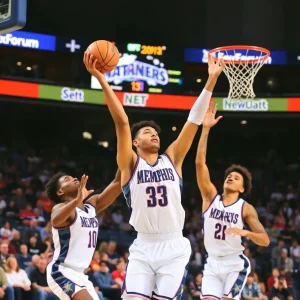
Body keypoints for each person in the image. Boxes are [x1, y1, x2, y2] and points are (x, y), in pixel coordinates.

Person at [84, 52, 224, 300]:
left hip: (173, 246)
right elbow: (122, 122)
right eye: (148, 132)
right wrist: (100, 78)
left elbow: (192, 121)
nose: (155, 135)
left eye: (156, 132)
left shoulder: (173, 158)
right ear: (135, 142)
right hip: (143, 246)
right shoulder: (129, 164)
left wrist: (211, 81)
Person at [195, 103, 270, 300]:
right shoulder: (210, 197)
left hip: (234, 264)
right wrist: (205, 129)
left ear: (242, 188)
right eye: (229, 175)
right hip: (211, 263)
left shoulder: (245, 208)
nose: (231, 178)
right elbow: (199, 163)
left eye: (236, 178)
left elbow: (265, 240)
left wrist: (247, 232)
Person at [45, 171, 121, 300]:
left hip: (80, 274)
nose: (74, 178)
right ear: (60, 192)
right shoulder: (60, 208)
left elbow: (118, 182)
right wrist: (77, 200)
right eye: (67, 180)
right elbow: (55, 220)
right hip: (62, 270)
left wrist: (126, 151)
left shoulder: (91, 206)